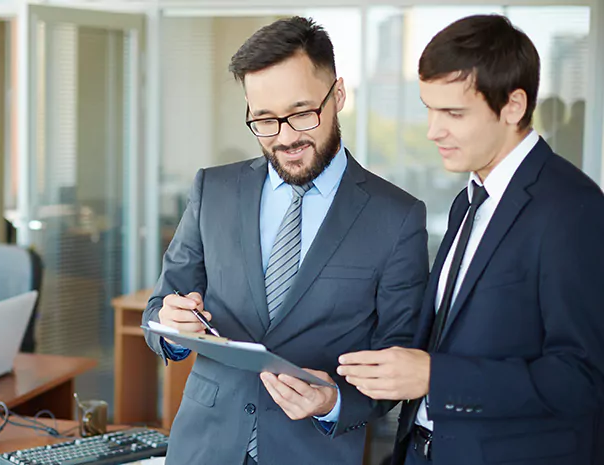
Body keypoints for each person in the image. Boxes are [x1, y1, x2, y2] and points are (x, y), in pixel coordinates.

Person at [141, 16, 429, 465]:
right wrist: (173, 329)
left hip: (315, 452)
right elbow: (159, 309)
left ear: (337, 95)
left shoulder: (397, 217)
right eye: (264, 121)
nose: (286, 137)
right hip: (202, 448)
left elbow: (398, 360)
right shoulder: (212, 190)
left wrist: (333, 401)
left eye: (301, 113)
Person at [337, 15, 604, 465]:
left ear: (514, 107)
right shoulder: (470, 200)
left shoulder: (572, 209)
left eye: (453, 113)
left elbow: (583, 378)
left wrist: (436, 378)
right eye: (429, 109)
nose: (432, 131)